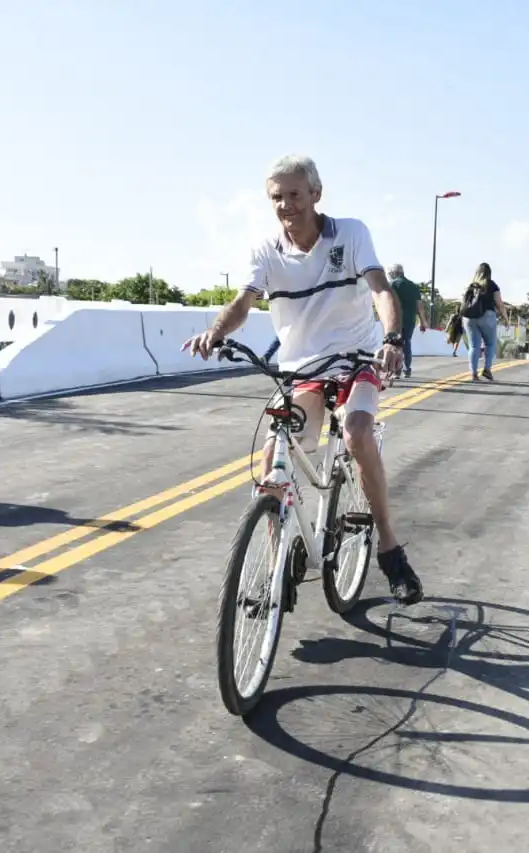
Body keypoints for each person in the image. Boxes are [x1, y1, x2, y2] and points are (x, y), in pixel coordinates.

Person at [182, 154, 423, 605]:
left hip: (357, 359)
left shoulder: (350, 234)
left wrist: (392, 337)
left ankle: (390, 548)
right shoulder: (266, 252)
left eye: (294, 194)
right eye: (277, 197)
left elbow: (379, 289)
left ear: (316, 193)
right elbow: (243, 302)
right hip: (304, 371)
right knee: (276, 454)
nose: (286, 205)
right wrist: (215, 332)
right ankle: (279, 565)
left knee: (355, 432)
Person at [459, 262, 507, 381]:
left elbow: (463, 303)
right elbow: (499, 304)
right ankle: (487, 369)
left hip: (469, 317)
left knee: (474, 346)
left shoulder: (469, 285)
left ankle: (473, 373)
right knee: (490, 344)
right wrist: (505, 318)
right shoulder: (491, 285)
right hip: (487, 316)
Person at [386, 263, 427, 378]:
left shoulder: (392, 284)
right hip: (410, 320)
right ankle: (407, 368)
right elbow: (419, 306)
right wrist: (422, 322)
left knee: (395, 344)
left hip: (395, 320)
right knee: (406, 343)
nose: (389, 276)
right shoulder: (413, 286)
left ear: (394, 273)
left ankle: (396, 371)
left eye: (390, 274)